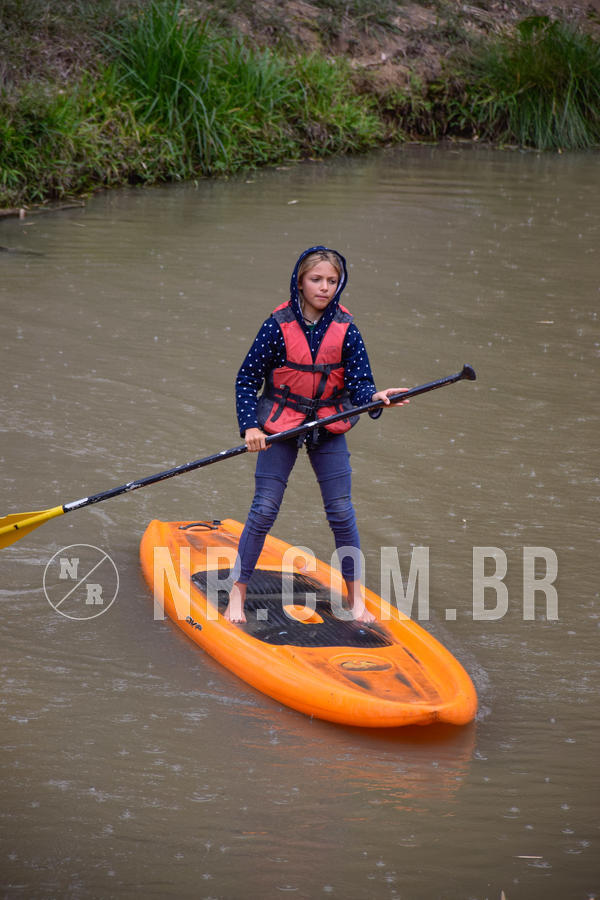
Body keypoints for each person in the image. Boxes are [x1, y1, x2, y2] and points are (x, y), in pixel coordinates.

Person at [224, 246, 408, 624]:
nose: (324, 287)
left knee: (341, 512)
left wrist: (376, 398)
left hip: (328, 425)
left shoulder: (347, 329)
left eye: (332, 281)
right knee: (263, 510)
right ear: (300, 282)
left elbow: (360, 386)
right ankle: (237, 597)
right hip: (280, 426)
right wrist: (251, 427)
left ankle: (356, 601)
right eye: (316, 279)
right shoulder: (276, 326)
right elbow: (246, 380)